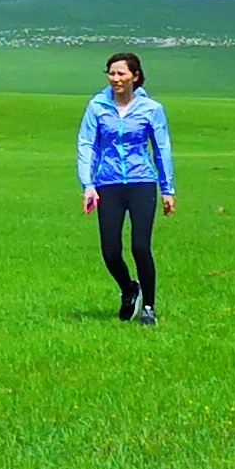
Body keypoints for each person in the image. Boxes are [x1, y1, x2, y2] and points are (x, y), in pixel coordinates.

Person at [76, 53, 176, 324]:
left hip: (141, 182)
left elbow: (161, 148)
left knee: (140, 247)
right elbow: (88, 144)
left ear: (135, 76)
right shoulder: (97, 106)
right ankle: (129, 289)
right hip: (107, 184)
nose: (115, 79)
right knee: (110, 250)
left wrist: (167, 189)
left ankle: (148, 308)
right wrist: (88, 184)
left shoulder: (151, 108)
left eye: (121, 73)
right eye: (111, 73)